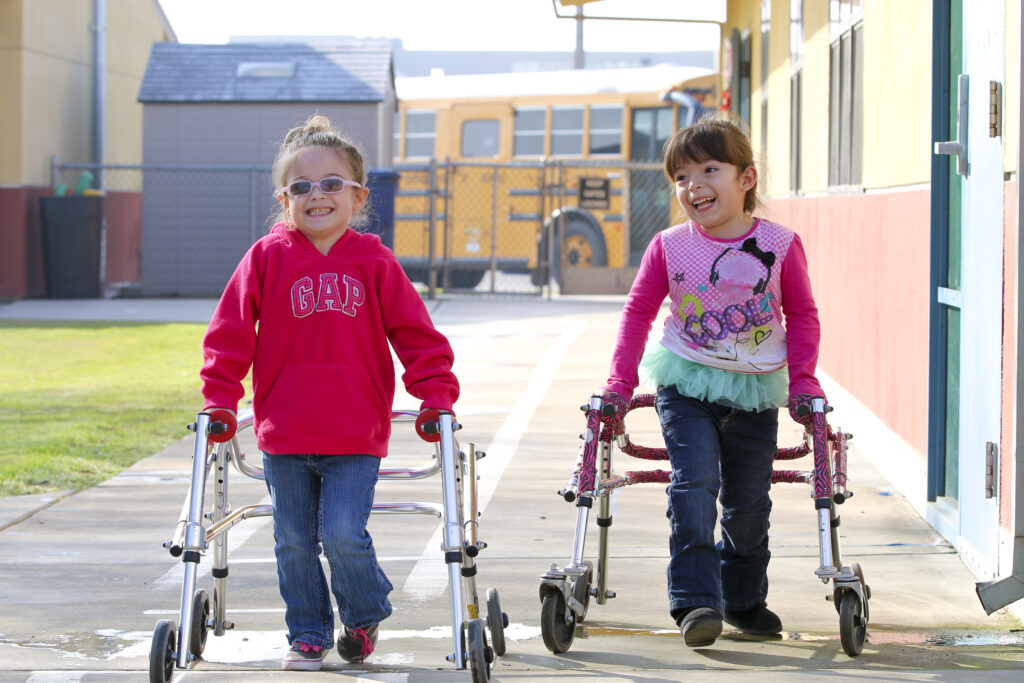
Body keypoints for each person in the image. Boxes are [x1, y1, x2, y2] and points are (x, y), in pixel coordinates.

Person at [200, 114, 460, 671]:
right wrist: (220, 398)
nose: (317, 195)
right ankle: (309, 633)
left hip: (354, 432)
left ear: (358, 194)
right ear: (284, 198)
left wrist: (435, 394)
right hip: (285, 432)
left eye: (331, 184)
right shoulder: (267, 258)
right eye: (302, 187)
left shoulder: (374, 261)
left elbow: (417, 337)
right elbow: (230, 333)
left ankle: (363, 614)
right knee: (293, 542)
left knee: (343, 534)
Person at [600, 115, 824, 648]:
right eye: (680, 175)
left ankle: (744, 600)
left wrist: (804, 381)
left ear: (746, 178)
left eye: (709, 169)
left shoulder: (781, 244)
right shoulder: (669, 245)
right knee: (695, 483)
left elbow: (803, 314)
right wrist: (619, 381)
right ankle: (696, 601)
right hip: (688, 382)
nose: (693, 184)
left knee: (749, 500)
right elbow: (637, 313)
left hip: (754, 387)